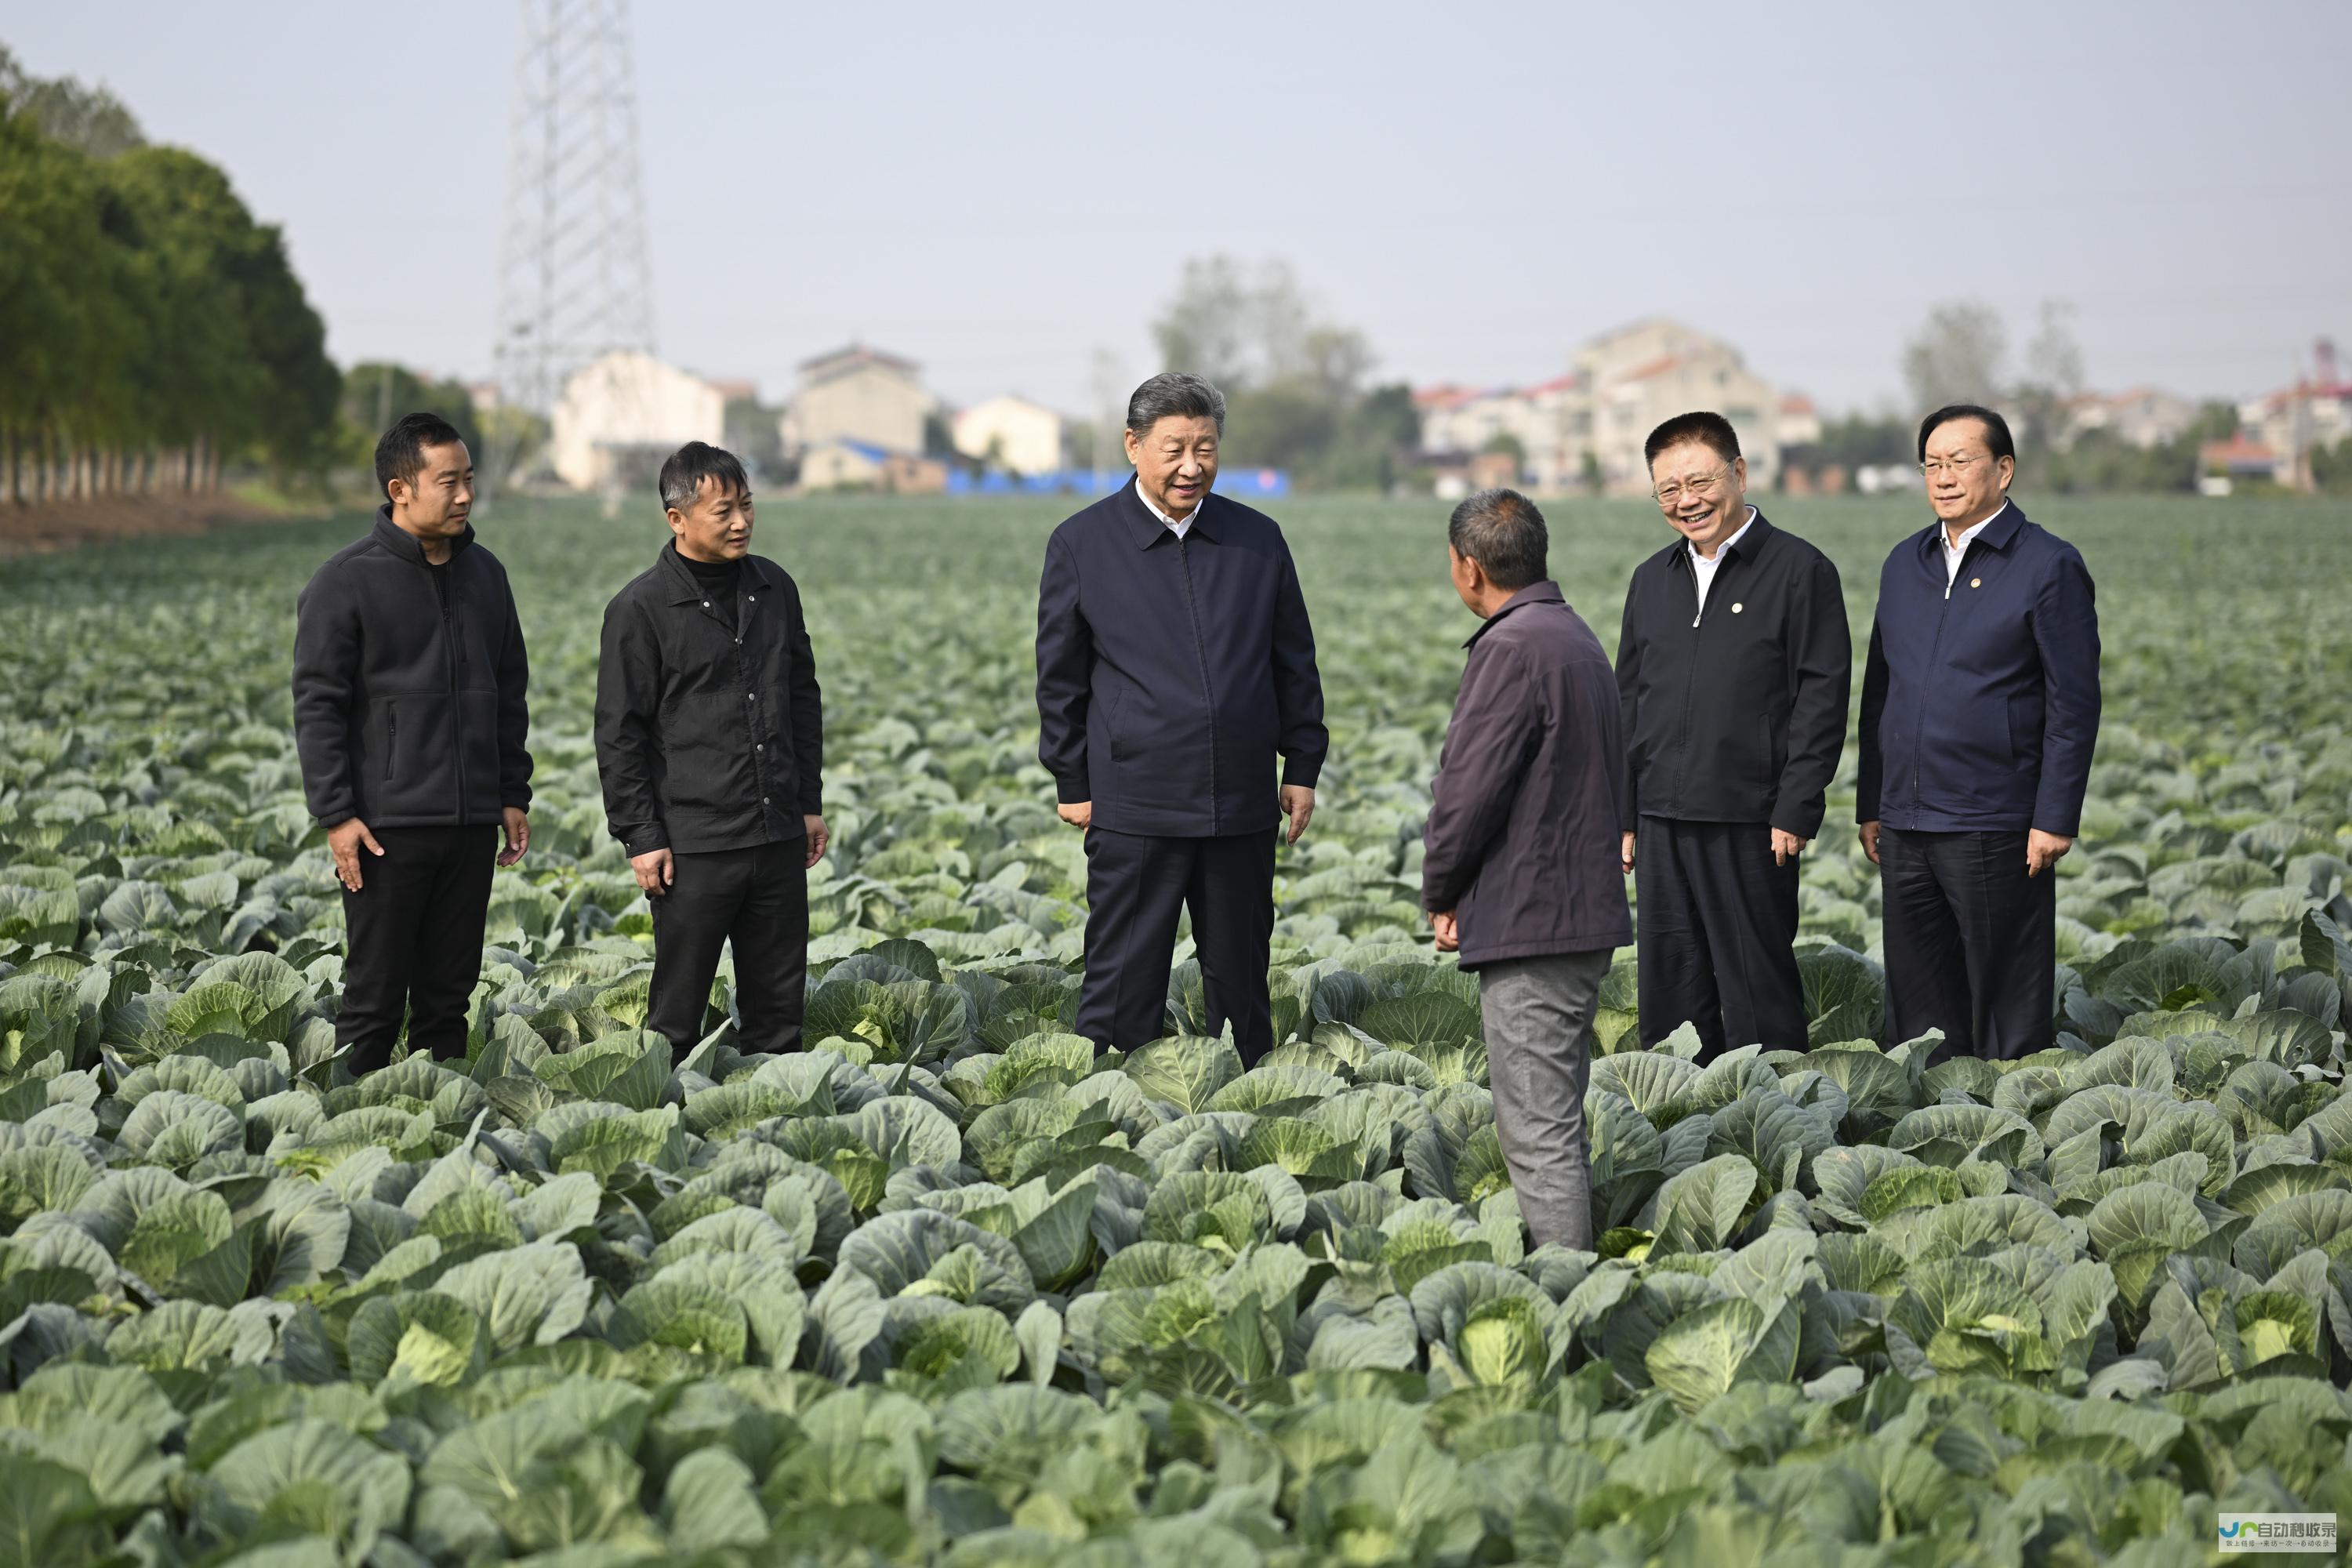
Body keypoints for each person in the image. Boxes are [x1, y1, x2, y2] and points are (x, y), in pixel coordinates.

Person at [1034, 372, 1327, 1064]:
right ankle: (1115, 1107)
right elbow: (1061, 679)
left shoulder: (1257, 540)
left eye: (1206, 448)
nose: (1192, 466)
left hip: (1240, 801)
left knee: (1241, 980)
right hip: (1135, 801)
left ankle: (1249, 1097)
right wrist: (1071, 780)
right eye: (1174, 449)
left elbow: (1294, 662)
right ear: (1134, 446)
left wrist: (1302, 765)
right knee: (1121, 983)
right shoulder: (1083, 543)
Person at [292, 412, 532, 1076]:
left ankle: (440, 1128)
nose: (464, 496)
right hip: (385, 829)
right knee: (373, 997)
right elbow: (318, 706)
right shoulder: (345, 582)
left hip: (469, 824)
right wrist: (336, 814)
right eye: (448, 482)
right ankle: (347, 1123)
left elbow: (508, 693)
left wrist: (512, 793)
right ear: (401, 489)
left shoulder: (486, 576)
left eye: (469, 480)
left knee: (447, 1000)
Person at [1857, 404, 2100, 1060]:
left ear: (2004, 469)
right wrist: (1872, 803)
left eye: (1959, 461)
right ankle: (1932, 1121)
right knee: (1919, 1000)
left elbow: (2073, 704)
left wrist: (2054, 817)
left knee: (2005, 997)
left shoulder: (2048, 565)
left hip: (1995, 818)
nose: (1943, 477)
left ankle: (2015, 1120)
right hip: (1906, 822)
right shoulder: (1904, 563)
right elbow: (1881, 689)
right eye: (1932, 464)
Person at [1424, 489, 1632, 1252]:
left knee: (1538, 1133)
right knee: (1556, 1120)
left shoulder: (1510, 648)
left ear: (1468, 567)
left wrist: (1442, 890)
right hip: (1578, 914)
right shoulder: (1573, 635)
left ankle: (1567, 1303)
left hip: (1531, 920)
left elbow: (1467, 791)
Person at [1616, 412, 1851, 1061]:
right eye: (1668, 490)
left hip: (1752, 819)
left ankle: (1772, 1119)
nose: (1686, 501)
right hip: (1661, 815)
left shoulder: (1800, 571)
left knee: (1757, 987)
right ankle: (1677, 1127)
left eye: (1699, 481)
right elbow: (1628, 700)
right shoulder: (1651, 580)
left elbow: (1821, 699)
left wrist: (1796, 804)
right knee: (1669, 986)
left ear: (1740, 473)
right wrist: (1624, 811)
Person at [594, 442, 826, 1060]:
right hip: (694, 842)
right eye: (724, 511)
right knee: (677, 1013)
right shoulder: (640, 609)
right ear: (677, 519)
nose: (742, 522)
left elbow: (801, 699)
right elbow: (619, 735)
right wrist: (642, 836)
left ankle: (774, 1124)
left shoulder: (775, 587)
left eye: (747, 506)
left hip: (776, 831)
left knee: (778, 1013)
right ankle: (664, 1128)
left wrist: (808, 802)